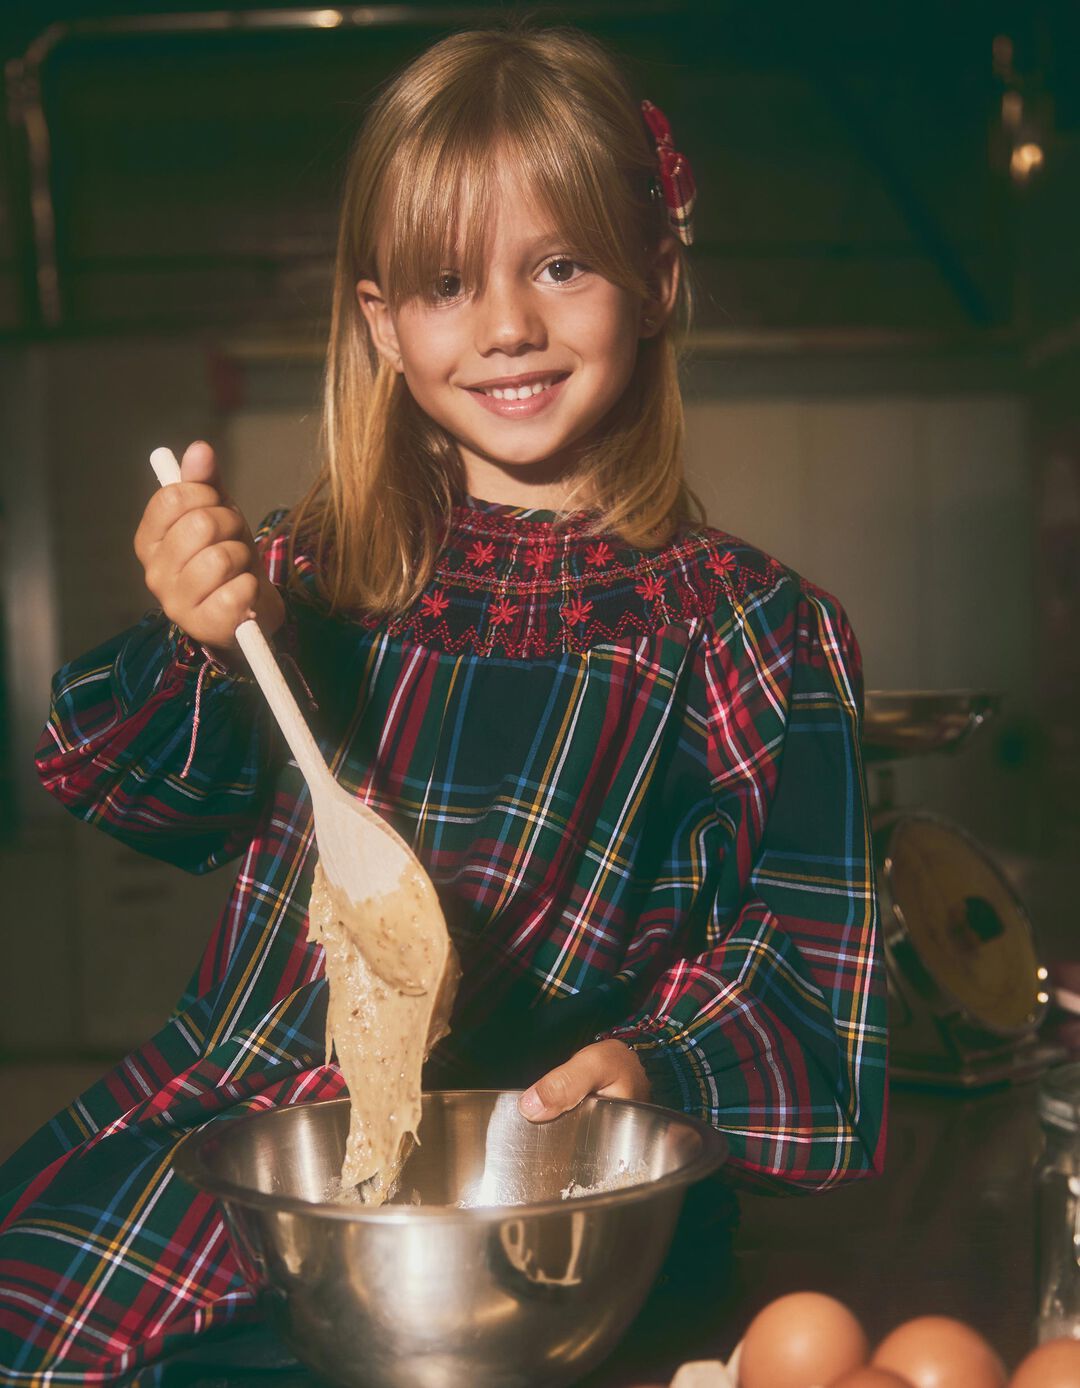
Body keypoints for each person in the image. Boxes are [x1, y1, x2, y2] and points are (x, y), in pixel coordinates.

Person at [0, 24, 887, 1383]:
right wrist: (198, 644)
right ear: (382, 324)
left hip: (545, 1217)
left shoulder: (754, 633)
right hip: (244, 1154)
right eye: (444, 284)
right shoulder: (307, 577)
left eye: (561, 264)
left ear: (654, 277)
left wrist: (651, 1067)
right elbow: (135, 789)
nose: (507, 327)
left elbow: (809, 982)